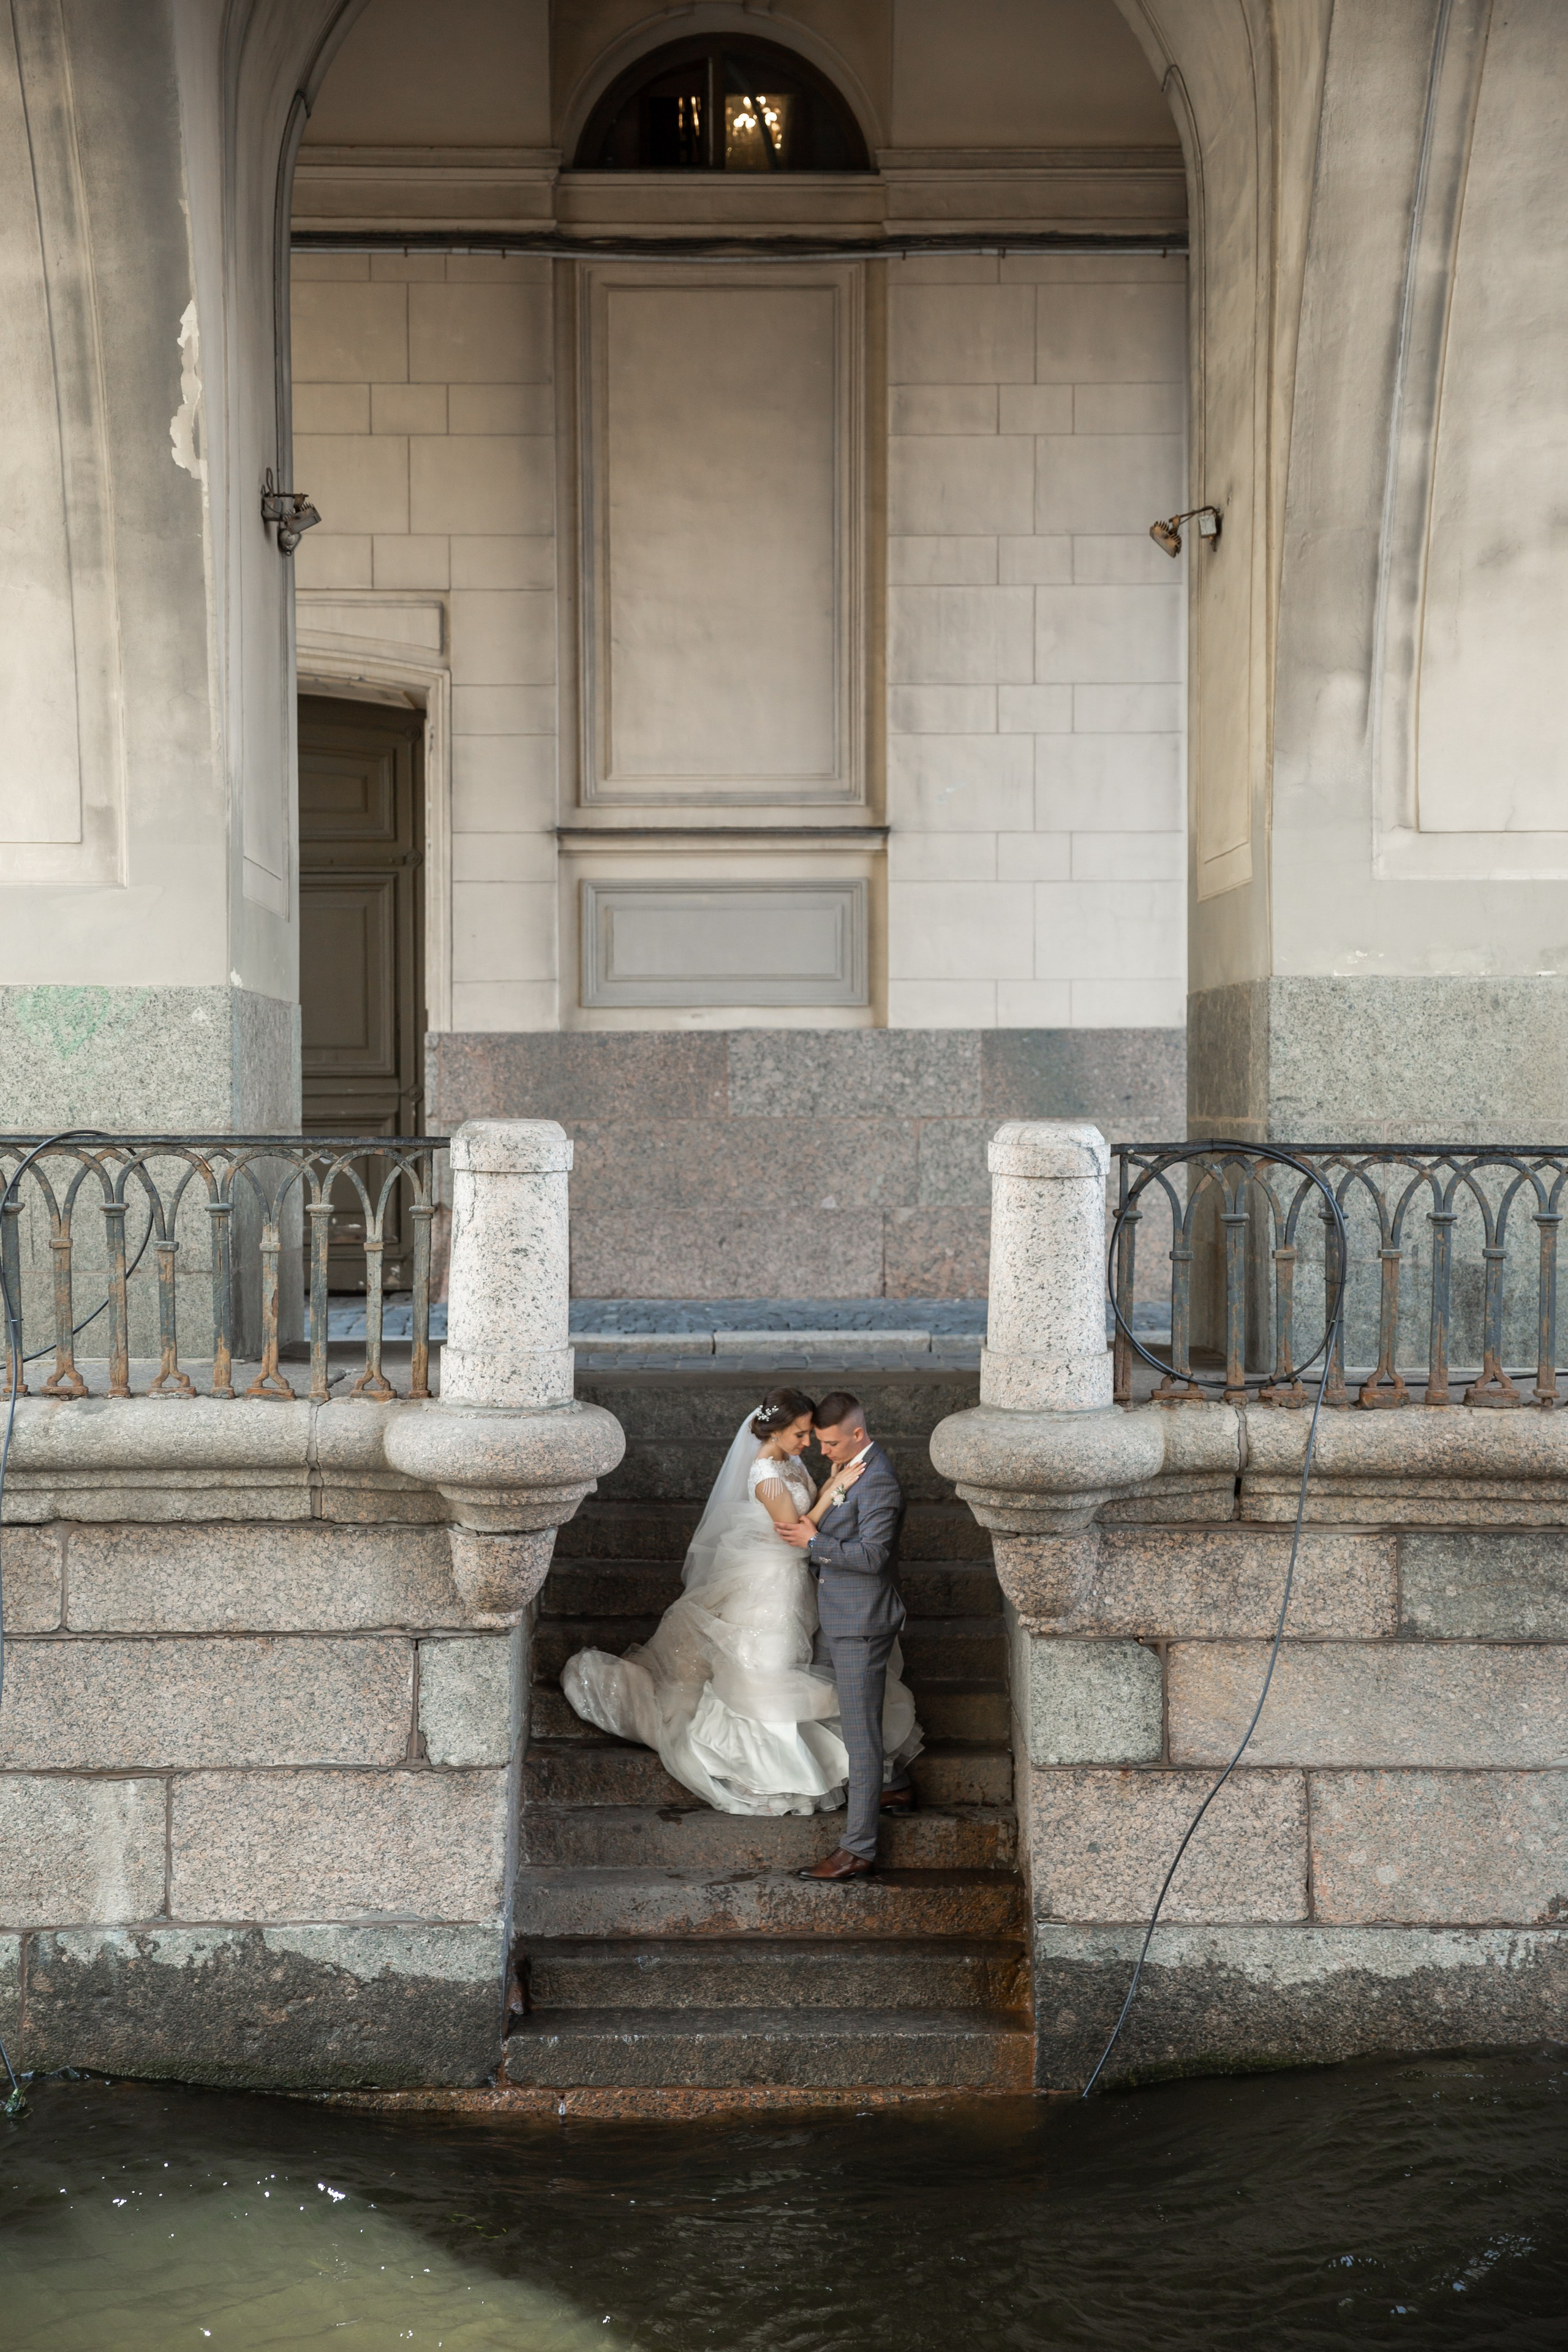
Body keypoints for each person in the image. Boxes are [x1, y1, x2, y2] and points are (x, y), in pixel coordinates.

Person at [560, 1387, 922, 1820]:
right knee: (767, 1675)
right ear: (777, 1432)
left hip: (795, 1582)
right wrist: (835, 1488)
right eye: (801, 1435)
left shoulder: (789, 1460)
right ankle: (769, 1772)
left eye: (811, 1436)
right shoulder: (767, 1477)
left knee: (797, 1672)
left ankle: (840, 1765)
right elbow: (797, 1533)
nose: (808, 1445)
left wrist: (829, 1483)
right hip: (771, 1584)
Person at [778, 1391, 913, 1881]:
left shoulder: (879, 1482)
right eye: (818, 1441)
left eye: (831, 1443)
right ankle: (894, 1784)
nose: (822, 1451)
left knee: (860, 1735)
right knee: (833, 1706)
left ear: (858, 1434)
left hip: (860, 1624)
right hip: (837, 1615)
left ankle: (857, 1849)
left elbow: (874, 1556)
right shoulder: (850, 1469)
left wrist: (814, 1543)